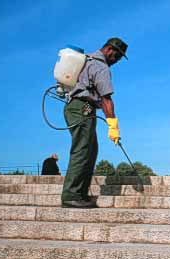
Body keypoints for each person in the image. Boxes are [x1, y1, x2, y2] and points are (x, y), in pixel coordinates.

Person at [61, 37, 128, 209]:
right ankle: (71, 195)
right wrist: (113, 125)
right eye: (118, 57)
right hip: (81, 109)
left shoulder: (87, 60)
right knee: (82, 150)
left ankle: (81, 194)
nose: (117, 61)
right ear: (110, 50)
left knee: (90, 150)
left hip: (77, 107)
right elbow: (106, 99)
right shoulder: (100, 66)